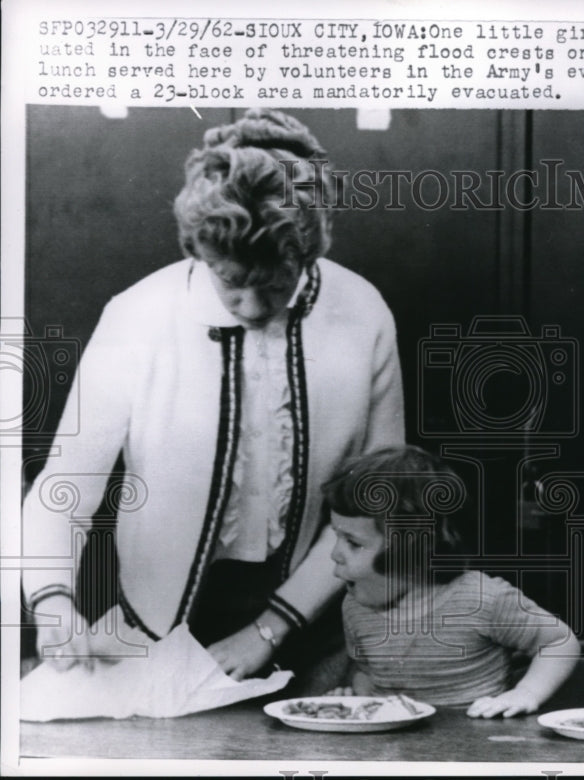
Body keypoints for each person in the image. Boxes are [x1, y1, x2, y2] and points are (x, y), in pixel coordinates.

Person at [21, 109, 405, 680]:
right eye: (230, 283)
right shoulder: (138, 315)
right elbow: (64, 488)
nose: (252, 309)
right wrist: (52, 604)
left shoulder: (363, 311)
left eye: (276, 285)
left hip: (316, 620)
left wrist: (269, 630)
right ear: (199, 252)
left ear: (308, 253)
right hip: (153, 626)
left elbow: (376, 504)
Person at [321, 445, 581, 718]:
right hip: (394, 750)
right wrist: (355, 697)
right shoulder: (355, 607)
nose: (335, 554)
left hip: (473, 746)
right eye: (336, 536)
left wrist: (526, 692)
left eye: (352, 542)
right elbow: (369, 674)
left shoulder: (481, 598)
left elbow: (558, 641)